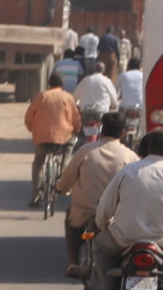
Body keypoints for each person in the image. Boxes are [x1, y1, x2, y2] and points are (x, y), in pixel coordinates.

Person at [92, 130, 163, 290]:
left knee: (98, 246)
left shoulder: (128, 171)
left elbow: (104, 209)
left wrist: (101, 225)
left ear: (149, 147)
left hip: (123, 239)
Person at [56, 109, 138, 276]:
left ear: (102, 129)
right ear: (122, 133)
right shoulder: (130, 156)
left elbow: (66, 180)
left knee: (69, 215)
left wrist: (62, 189)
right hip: (115, 217)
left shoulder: (85, 151)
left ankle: (72, 261)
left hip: (84, 212)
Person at [25, 72, 82, 207]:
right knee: (68, 152)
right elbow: (76, 119)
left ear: (49, 84)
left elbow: (28, 117)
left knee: (38, 163)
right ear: (62, 85)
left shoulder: (41, 96)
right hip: (64, 136)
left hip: (42, 137)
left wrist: (32, 129)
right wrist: (77, 130)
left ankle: (35, 196)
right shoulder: (68, 97)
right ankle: (62, 177)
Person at [73, 59, 120, 124]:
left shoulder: (85, 80)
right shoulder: (107, 81)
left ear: (93, 69)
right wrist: (114, 105)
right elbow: (114, 100)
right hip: (101, 112)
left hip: (86, 112)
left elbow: (75, 97)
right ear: (103, 71)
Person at [116, 51, 145, 120]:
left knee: (119, 120)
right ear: (140, 66)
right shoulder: (143, 76)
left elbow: (115, 89)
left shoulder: (123, 75)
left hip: (125, 106)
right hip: (140, 105)